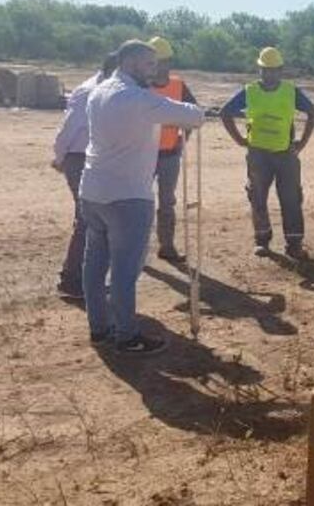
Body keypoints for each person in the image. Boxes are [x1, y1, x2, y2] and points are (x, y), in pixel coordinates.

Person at [80, 40, 205, 355]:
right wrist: (193, 111)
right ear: (132, 63)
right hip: (127, 196)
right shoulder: (137, 98)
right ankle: (126, 336)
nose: (155, 70)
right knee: (125, 269)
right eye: (150, 64)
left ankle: (99, 328)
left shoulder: (98, 91)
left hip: (93, 191)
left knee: (94, 265)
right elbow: (193, 116)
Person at [220, 47, 314, 260]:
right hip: (258, 155)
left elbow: (312, 112)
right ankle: (262, 240)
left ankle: (294, 244)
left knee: (291, 199)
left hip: (286, 155)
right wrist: (239, 140)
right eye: (265, 69)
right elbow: (225, 112)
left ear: (280, 70)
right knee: (257, 197)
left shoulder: (291, 91)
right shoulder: (250, 91)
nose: (269, 74)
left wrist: (302, 143)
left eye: (273, 70)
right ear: (260, 69)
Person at [51, 52, 119, 299]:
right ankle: (72, 279)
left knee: (94, 219)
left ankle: (85, 277)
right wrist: (60, 157)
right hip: (80, 158)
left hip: (96, 159)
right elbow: (68, 129)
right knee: (87, 218)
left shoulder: (110, 91)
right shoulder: (88, 91)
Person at [147, 36, 198, 264]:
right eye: (154, 62)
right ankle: (137, 249)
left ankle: (166, 246)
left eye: (163, 61)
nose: (159, 66)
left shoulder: (178, 85)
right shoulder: (140, 87)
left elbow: (194, 113)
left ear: (169, 62)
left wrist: (183, 138)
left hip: (169, 155)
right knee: (140, 201)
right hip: (142, 155)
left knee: (167, 202)